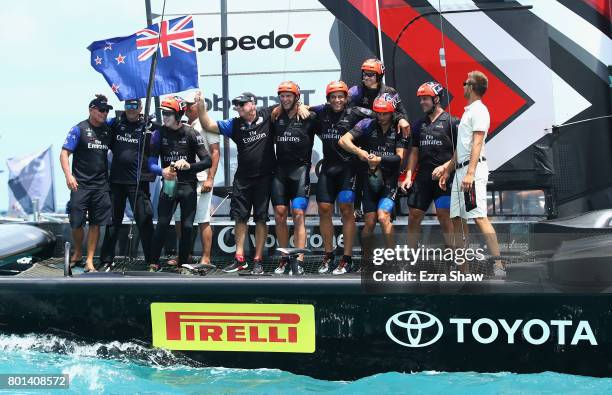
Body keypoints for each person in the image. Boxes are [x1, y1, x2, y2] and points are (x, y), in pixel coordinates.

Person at [437, 70, 504, 276]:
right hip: (460, 171)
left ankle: (499, 265)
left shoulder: (479, 111)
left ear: (472, 87)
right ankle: (462, 269)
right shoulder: (468, 111)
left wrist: (470, 174)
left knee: (479, 217)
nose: (462, 86)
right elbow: (461, 147)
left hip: (471, 171)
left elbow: (477, 142)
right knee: (457, 218)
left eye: (465, 83)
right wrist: (447, 170)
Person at [339, 94, 409, 271]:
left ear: (392, 113)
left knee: (383, 216)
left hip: (389, 181)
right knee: (369, 221)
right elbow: (343, 141)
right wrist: (359, 152)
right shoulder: (366, 124)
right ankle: (366, 262)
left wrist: (379, 159)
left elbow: (399, 159)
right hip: (369, 180)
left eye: (385, 113)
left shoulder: (399, 128)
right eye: (378, 113)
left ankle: (393, 261)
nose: (381, 117)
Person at [147, 96, 212, 271]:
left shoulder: (191, 133)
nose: (165, 117)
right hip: (169, 186)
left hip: (188, 186)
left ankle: (183, 263)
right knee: (162, 223)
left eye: (168, 113)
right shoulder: (158, 133)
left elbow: (208, 161)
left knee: (188, 226)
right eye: (163, 113)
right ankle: (153, 263)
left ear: (178, 114)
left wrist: (190, 166)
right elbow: (150, 163)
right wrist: (163, 171)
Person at [348, 58, 411, 220]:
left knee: (388, 170)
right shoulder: (356, 91)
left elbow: (402, 113)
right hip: (361, 135)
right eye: (364, 74)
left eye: (370, 74)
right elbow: (337, 102)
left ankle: (391, 209)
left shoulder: (389, 92)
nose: (366, 77)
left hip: (383, 137)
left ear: (379, 76)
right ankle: (356, 208)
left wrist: (402, 119)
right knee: (359, 169)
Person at [309, 81, 358, 274]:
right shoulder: (321, 112)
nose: (337, 100)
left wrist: (401, 119)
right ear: (328, 99)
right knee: (324, 209)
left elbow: (381, 115)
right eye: (333, 97)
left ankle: (347, 258)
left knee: (346, 210)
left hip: (348, 169)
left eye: (340, 97)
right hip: (328, 169)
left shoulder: (355, 113)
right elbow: (304, 108)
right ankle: (328, 256)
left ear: (346, 98)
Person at [60, 94, 113, 272]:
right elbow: (64, 154)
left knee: (96, 223)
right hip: (80, 184)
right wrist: (69, 176)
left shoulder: (108, 129)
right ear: (91, 110)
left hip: (100, 185)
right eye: (101, 110)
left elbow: (128, 118)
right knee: (76, 221)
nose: (104, 113)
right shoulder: (79, 129)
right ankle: (77, 252)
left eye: (106, 111)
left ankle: (90, 261)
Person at [400, 82, 457, 249]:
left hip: (445, 178)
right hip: (423, 177)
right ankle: (411, 258)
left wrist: (446, 167)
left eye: (425, 99)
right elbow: (414, 152)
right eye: (420, 99)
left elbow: (460, 152)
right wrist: (409, 176)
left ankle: (453, 257)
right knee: (414, 215)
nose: (422, 102)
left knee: (444, 215)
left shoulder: (452, 122)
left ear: (436, 99)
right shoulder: (419, 124)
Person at [99, 98, 155, 268]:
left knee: (144, 220)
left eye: (134, 106)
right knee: (112, 222)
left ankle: (152, 260)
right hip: (116, 181)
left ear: (140, 108)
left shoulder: (149, 126)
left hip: (138, 182)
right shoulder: (115, 123)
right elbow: (99, 121)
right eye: (127, 106)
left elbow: (170, 129)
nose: (130, 109)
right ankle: (106, 261)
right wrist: (102, 101)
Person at [271, 81, 317, 276]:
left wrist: (308, 107)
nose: (285, 99)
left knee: (298, 214)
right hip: (280, 172)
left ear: (297, 97)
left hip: (300, 171)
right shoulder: (275, 115)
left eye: (289, 96)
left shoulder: (309, 117)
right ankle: (284, 258)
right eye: (282, 96)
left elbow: (331, 110)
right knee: (280, 214)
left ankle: (298, 260)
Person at [171, 92, 220, 268]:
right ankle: (185, 254)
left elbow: (215, 152)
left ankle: (206, 257)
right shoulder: (181, 124)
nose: (188, 107)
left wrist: (210, 178)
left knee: (203, 219)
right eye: (187, 104)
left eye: (191, 104)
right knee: (179, 219)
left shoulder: (207, 123)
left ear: (199, 106)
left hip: (201, 179)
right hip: (181, 180)